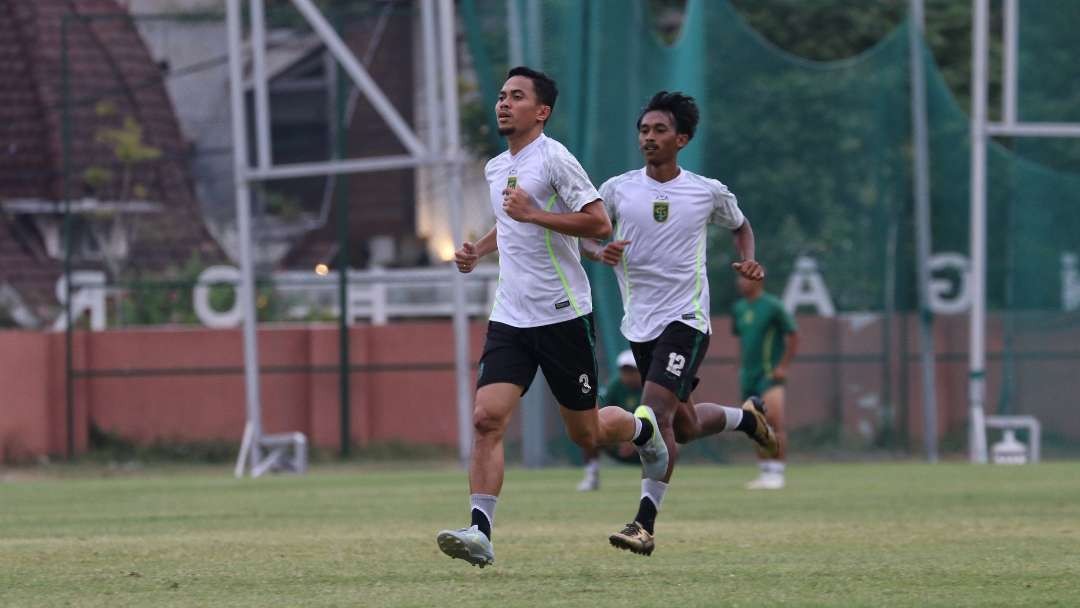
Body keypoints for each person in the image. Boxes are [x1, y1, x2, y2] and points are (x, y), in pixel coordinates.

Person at [435, 67, 669, 568]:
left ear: (541, 111)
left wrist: (535, 213)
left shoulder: (556, 158)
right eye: (501, 95)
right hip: (510, 317)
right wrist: (478, 248)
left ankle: (643, 431)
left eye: (516, 97)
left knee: (585, 434)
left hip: (563, 316)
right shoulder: (497, 167)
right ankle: (480, 532)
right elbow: (509, 222)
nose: (503, 103)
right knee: (485, 419)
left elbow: (599, 221)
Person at [582, 91, 779, 557]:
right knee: (684, 426)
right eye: (644, 130)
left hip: (686, 320)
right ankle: (746, 418)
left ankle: (644, 524)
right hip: (641, 325)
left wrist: (748, 260)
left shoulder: (706, 191)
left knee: (653, 416)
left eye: (660, 130)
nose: (649, 138)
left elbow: (741, 225)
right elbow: (587, 239)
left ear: (682, 139)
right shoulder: (616, 189)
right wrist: (598, 252)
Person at [733, 275, 798, 490]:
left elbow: (793, 335)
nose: (741, 283)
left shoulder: (773, 306)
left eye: (745, 279)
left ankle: (777, 473)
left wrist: (783, 366)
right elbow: (743, 340)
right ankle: (764, 472)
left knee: (774, 421)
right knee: (754, 425)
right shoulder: (739, 308)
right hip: (748, 376)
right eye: (739, 279)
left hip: (769, 374)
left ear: (758, 280)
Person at [577, 349, 643, 492]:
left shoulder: (650, 389)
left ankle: (658, 480)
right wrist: (620, 440)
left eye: (632, 371)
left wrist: (635, 440)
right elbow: (600, 416)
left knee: (670, 442)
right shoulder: (614, 386)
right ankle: (591, 477)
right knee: (590, 433)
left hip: (646, 444)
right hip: (618, 443)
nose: (628, 376)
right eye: (625, 371)